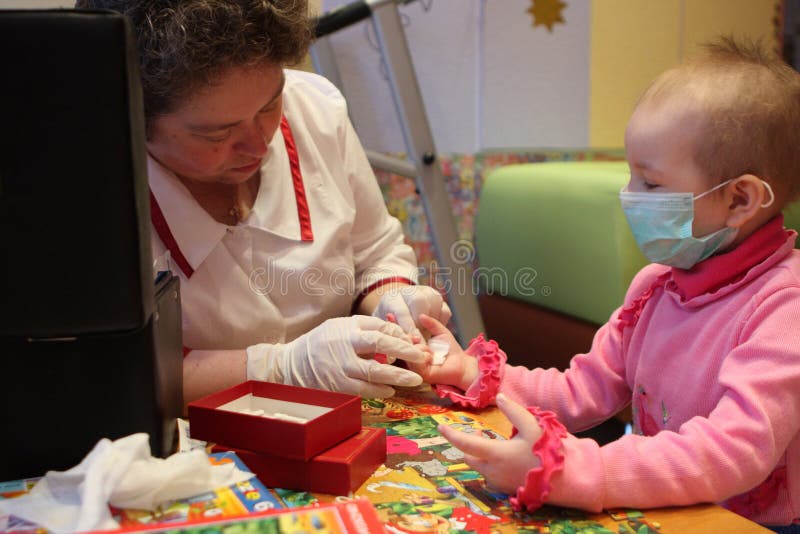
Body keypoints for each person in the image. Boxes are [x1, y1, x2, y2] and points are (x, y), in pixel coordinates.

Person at [410, 37, 800, 532]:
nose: (628, 196)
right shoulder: (655, 287)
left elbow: (732, 451)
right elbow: (581, 391)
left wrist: (581, 469)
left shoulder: (784, 306)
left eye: (651, 184)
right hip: (676, 507)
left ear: (741, 200)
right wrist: (472, 372)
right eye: (629, 174)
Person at [75, 0, 451, 403]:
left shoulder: (316, 110)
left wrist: (393, 300)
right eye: (216, 135)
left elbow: (375, 253)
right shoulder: (90, 187)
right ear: (132, 116)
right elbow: (113, 372)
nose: (258, 144)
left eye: (271, 105)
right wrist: (280, 368)